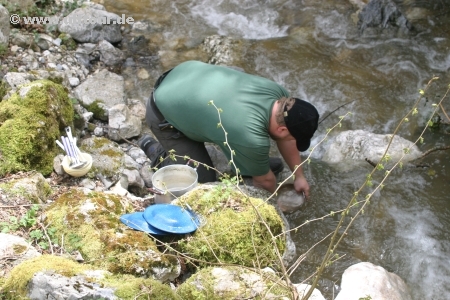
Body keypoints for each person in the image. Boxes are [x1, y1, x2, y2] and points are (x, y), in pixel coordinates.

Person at [139, 60, 319, 198]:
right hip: (162, 111)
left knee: (259, 161)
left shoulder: (279, 95)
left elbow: (287, 139)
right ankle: (157, 153)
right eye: (292, 138)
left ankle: (253, 164)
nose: (292, 142)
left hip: (183, 75)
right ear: (281, 130)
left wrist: (299, 176)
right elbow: (266, 182)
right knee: (203, 182)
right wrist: (276, 208)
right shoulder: (251, 137)